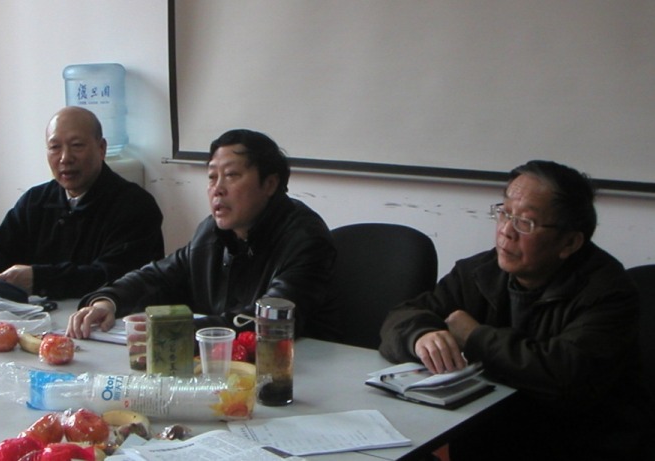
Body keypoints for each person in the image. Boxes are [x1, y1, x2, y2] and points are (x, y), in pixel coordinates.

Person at [379, 160, 654, 461]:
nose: (506, 231)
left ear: (570, 242)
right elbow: (400, 318)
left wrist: (474, 337)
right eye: (505, 213)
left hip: (576, 446)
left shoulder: (609, 292)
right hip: (488, 436)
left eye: (526, 222)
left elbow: (564, 373)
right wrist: (421, 335)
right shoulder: (478, 272)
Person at [66, 129, 339, 341]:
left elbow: (269, 322)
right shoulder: (212, 233)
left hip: (298, 372)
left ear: (269, 184)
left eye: (231, 175)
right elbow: (159, 276)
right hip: (223, 367)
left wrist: (175, 330)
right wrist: (109, 301)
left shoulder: (305, 240)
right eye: (211, 177)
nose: (217, 189)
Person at [0, 106, 164, 302]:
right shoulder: (36, 200)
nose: (65, 158)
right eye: (55, 147)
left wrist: (39, 279)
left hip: (102, 316)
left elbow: (115, 275)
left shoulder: (135, 206)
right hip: (36, 318)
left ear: (101, 149)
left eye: (77, 145)